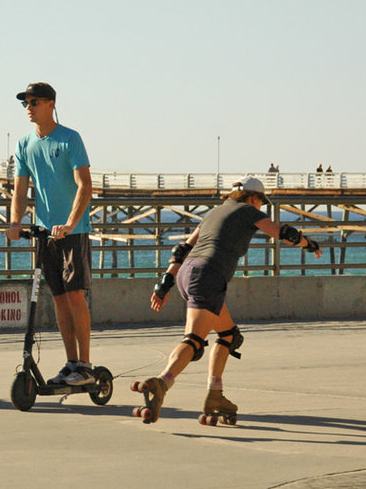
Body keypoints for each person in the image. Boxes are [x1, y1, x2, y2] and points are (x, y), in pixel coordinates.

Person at [138, 176, 322, 423]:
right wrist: (308, 244)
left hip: (187, 274)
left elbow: (182, 249)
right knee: (193, 339)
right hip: (208, 275)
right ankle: (162, 382)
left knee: (229, 336)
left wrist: (164, 284)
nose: (261, 208)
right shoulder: (248, 211)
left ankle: (215, 395)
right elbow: (283, 233)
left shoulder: (214, 212)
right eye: (261, 203)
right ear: (254, 198)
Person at [6, 82, 95, 386]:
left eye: (34, 102)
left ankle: (85, 364)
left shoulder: (70, 139)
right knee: (58, 298)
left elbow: (85, 184)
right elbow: (20, 190)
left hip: (73, 230)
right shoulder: (24, 144)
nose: (28, 108)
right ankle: (71, 363)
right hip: (45, 233)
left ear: (50, 104)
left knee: (74, 296)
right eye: (25, 103)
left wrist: (70, 222)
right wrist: (15, 221)